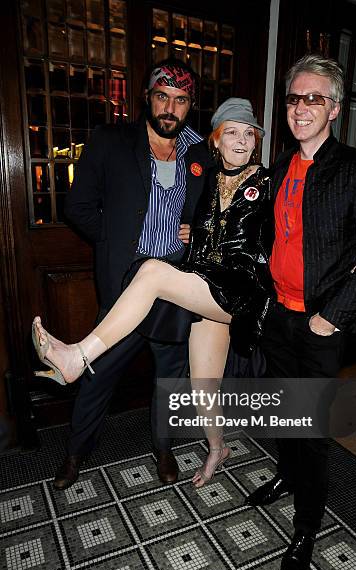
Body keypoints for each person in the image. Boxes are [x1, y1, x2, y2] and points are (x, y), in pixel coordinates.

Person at [32, 97, 273, 488]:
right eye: (232, 131)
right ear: (216, 140)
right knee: (201, 386)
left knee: (154, 273)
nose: (241, 140)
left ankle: (77, 356)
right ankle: (217, 449)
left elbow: (288, 231)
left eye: (249, 133)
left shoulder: (267, 181)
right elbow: (201, 224)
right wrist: (195, 233)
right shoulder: (207, 177)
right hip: (203, 287)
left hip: (239, 291)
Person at [245, 54, 356, 570]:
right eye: (293, 98)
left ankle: (307, 525)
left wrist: (331, 317)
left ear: (334, 108)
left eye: (313, 98)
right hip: (277, 318)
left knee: (311, 431)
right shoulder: (281, 164)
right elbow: (274, 234)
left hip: (318, 326)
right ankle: (286, 476)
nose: (300, 108)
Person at [49, 58, 213, 490]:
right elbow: (77, 207)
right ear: (147, 98)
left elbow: (210, 212)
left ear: (189, 104)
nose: (170, 109)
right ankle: (76, 452)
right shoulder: (112, 140)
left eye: (180, 100)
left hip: (176, 282)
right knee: (98, 370)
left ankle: (164, 448)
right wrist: (117, 237)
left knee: (170, 378)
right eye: (163, 97)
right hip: (127, 283)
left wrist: (197, 231)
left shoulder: (199, 152)